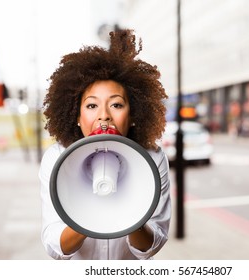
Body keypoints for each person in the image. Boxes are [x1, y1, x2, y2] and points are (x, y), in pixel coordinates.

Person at [39, 29, 171, 260]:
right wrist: (89, 214)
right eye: (91, 106)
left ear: (133, 115)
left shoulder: (153, 158)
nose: (104, 116)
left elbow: (151, 245)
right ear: (77, 117)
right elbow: (55, 246)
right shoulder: (57, 157)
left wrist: (133, 215)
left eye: (116, 105)